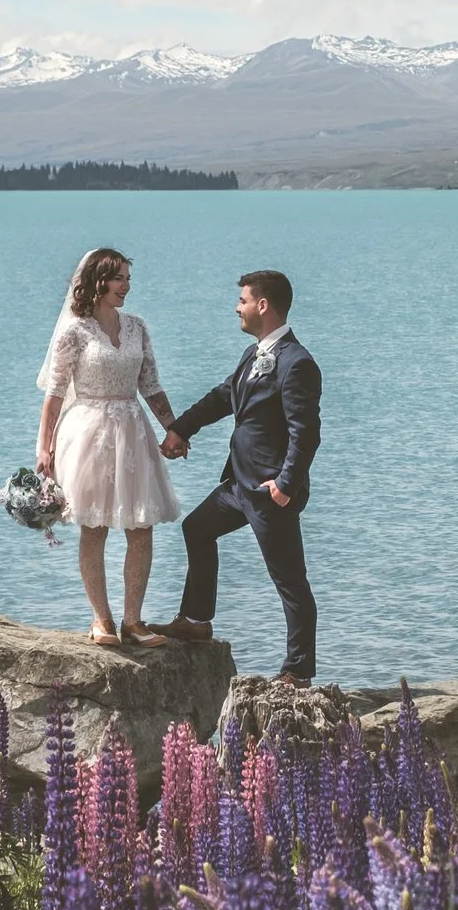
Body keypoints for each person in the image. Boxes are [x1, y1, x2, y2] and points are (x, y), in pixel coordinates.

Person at [156, 270, 323, 683]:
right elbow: (222, 397)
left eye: (243, 300)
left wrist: (285, 485)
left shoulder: (297, 363)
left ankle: (298, 671)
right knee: (196, 529)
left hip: (269, 492)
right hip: (237, 485)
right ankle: (196, 620)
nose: (237, 308)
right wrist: (180, 428)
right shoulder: (253, 355)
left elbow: (306, 433)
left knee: (289, 580)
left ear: (262, 306)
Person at [35, 247, 185, 647]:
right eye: (118, 278)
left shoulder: (137, 327)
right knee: (95, 525)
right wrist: (43, 448)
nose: (126, 286)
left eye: (128, 278)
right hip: (88, 433)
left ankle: (133, 622)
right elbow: (54, 395)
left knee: (141, 527)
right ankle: (101, 620)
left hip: (133, 431)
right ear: (97, 282)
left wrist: (174, 429)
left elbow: (150, 385)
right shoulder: (75, 332)